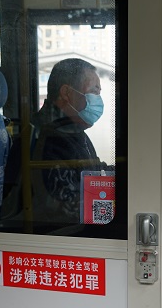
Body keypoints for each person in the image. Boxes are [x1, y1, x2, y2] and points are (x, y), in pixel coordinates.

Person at [31, 58, 109, 224]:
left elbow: (92, 168)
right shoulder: (49, 138)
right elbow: (66, 209)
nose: (99, 101)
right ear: (66, 93)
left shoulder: (72, 130)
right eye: (94, 92)